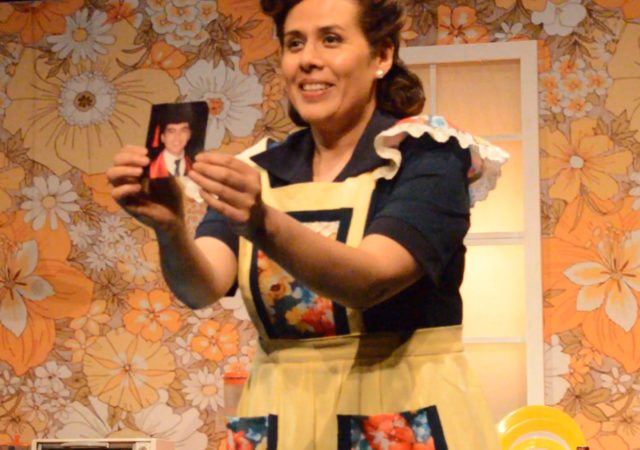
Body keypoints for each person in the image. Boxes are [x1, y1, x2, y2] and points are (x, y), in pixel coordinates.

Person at [107, 0, 508, 447]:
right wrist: (170, 228)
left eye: (331, 39)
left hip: (398, 415)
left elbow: (370, 279)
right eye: (294, 43)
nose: (308, 59)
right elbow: (200, 287)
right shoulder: (258, 169)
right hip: (282, 415)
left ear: (381, 56)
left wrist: (262, 222)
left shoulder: (428, 155)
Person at [148, 105, 195, 178]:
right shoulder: (148, 169)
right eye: (171, 131)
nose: (177, 137)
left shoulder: (194, 167)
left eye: (183, 130)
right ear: (162, 137)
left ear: (189, 135)